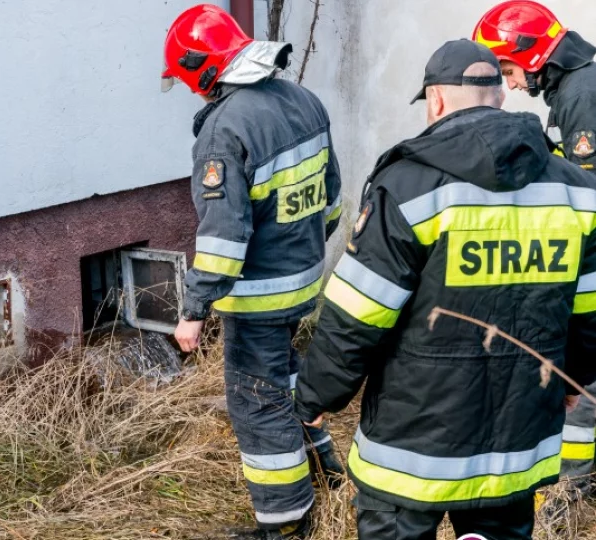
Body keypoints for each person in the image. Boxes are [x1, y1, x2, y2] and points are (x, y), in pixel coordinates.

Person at [294, 39, 596, 540]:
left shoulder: (408, 187)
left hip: (410, 454)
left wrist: (316, 396)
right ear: (501, 97)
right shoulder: (574, 190)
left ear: (434, 101)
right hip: (516, 450)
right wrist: (569, 382)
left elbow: (357, 315)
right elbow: (588, 314)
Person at [161, 5, 343, 538]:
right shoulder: (302, 100)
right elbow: (330, 200)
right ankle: (325, 468)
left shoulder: (224, 130)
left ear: (202, 68)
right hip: (305, 278)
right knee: (287, 378)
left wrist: (193, 310)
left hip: (260, 297)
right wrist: (303, 252)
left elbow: (221, 238)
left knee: (257, 406)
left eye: (187, 79)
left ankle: (285, 523)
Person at [474, 0, 596, 496]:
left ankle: (570, 491)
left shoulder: (581, 96)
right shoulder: (575, 85)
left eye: (507, 69)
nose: (510, 83)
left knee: (583, 375)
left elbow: (588, 194)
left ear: (531, 54)